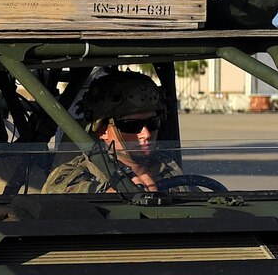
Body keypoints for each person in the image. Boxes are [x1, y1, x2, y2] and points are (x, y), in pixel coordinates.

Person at [42, 70, 181, 194]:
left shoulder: (168, 168)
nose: (146, 134)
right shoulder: (74, 175)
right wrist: (111, 194)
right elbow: (58, 203)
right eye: (131, 126)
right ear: (102, 130)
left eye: (153, 123)